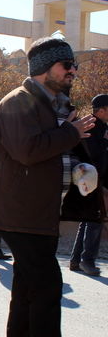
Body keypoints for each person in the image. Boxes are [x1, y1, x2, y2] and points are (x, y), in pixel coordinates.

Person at [0, 37, 100, 337]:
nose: (73, 71)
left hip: (40, 214)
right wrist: (69, 133)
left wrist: (79, 167)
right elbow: (28, 150)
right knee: (47, 286)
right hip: (20, 215)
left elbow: (53, 150)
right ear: (44, 68)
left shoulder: (52, 107)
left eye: (74, 65)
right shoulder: (17, 102)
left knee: (27, 291)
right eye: (67, 65)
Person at [69, 93, 108, 276]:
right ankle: (87, 260)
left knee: (88, 220)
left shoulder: (101, 126)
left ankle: (76, 260)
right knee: (95, 219)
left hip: (93, 178)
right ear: (100, 110)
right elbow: (93, 155)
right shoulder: (92, 127)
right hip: (91, 178)